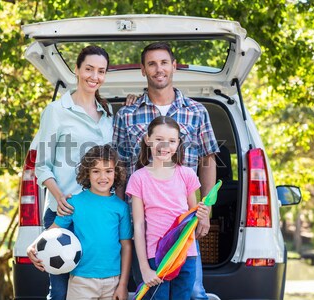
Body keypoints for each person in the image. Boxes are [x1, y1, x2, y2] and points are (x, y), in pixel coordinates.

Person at [113, 42, 218, 299]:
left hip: (183, 218)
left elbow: (207, 160)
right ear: (143, 69)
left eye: (163, 63)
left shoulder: (196, 111)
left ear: (173, 66)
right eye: (151, 64)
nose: (158, 69)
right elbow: (119, 168)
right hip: (143, 219)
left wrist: (205, 210)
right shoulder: (126, 114)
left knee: (192, 291)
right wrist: (117, 214)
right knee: (152, 287)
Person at [33, 45, 114, 300]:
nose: (94, 76)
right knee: (60, 291)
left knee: (95, 288)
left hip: (97, 213)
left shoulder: (107, 113)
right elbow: (42, 165)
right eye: (89, 68)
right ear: (77, 70)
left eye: (101, 71)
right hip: (64, 211)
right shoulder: (56, 111)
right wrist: (58, 197)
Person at [28, 145, 133, 300]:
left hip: (113, 281)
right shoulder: (74, 203)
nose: (102, 177)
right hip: (81, 281)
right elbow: (53, 231)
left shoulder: (121, 208)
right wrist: (33, 245)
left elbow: (126, 245)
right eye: (96, 171)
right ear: (87, 173)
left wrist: (123, 284)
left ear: (116, 173)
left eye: (108, 171)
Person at [126, 116, 209, 299]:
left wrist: (202, 214)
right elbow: (138, 226)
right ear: (148, 140)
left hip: (186, 254)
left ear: (178, 143)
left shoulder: (187, 175)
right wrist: (145, 269)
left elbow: (193, 214)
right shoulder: (138, 178)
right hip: (155, 256)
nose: (165, 146)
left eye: (171, 141)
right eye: (158, 140)